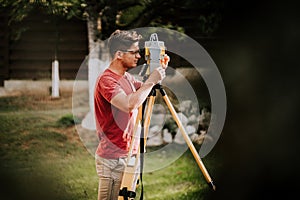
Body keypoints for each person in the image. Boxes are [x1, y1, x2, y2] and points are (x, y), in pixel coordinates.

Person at [94, 29, 169, 200]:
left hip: (130, 155)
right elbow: (129, 104)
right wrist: (151, 80)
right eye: (134, 52)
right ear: (119, 54)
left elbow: (144, 89)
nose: (138, 56)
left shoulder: (127, 78)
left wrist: (159, 70)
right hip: (113, 159)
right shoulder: (107, 80)